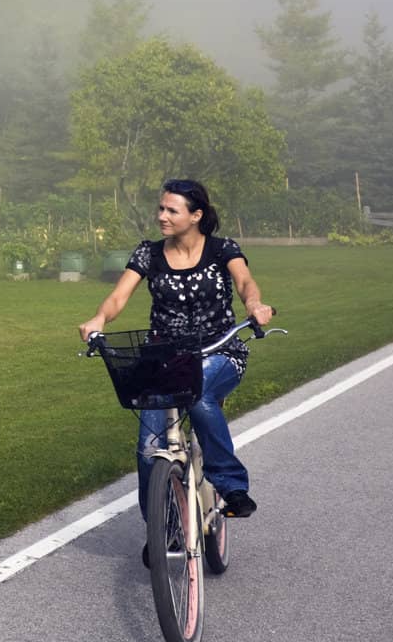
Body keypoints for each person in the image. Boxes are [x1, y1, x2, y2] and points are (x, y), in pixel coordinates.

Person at [78, 178, 275, 564]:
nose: (162, 216)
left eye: (172, 210)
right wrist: (99, 318)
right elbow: (119, 296)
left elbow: (245, 282)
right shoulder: (149, 254)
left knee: (199, 395)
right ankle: (161, 527)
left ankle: (231, 486)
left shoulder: (221, 249)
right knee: (148, 449)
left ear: (196, 215)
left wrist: (255, 305)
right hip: (165, 357)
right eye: (161, 208)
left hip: (220, 351)